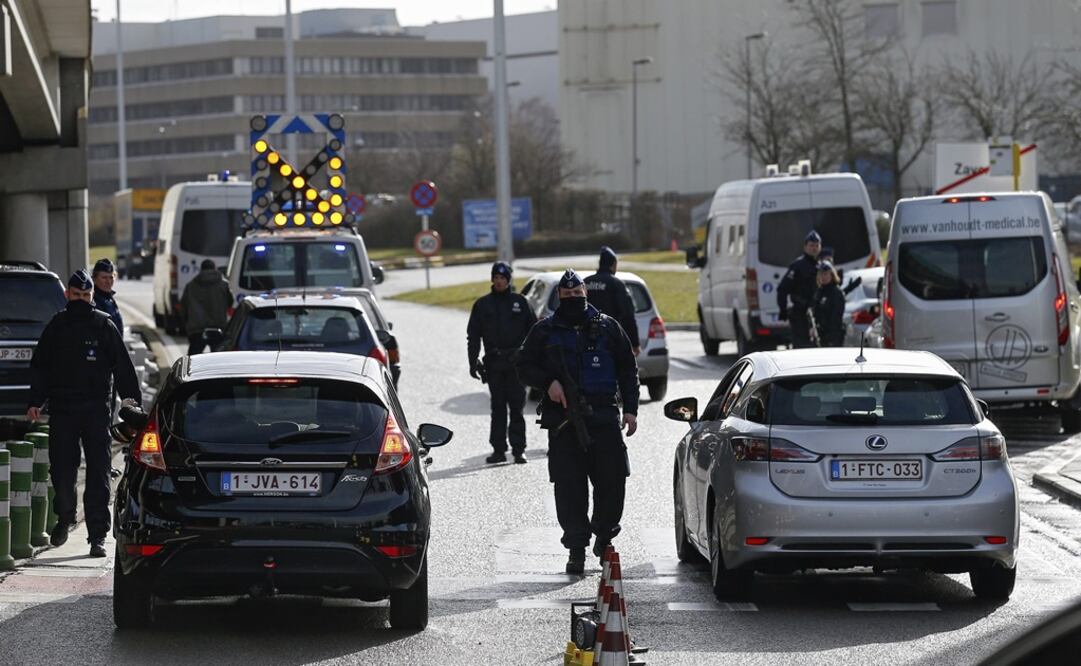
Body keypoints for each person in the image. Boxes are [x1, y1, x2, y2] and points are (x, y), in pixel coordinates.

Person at [517, 270, 639, 575]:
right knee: (569, 488)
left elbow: (627, 368)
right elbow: (523, 365)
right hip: (564, 422)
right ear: (560, 297)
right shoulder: (544, 331)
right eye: (568, 296)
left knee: (612, 482)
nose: (574, 299)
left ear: (586, 293)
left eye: (578, 294)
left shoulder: (608, 327)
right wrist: (548, 383)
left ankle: (604, 536)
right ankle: (576, 549)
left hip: (604, 417)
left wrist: (631, 410)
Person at [27, 270, 141, 557]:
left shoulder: (103, 325)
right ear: (68, 295)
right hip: (63, 410)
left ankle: (97, 536)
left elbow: (123, 368)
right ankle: (65, 517)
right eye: (77, 296)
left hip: (95, 411)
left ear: (92, 297)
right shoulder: (57, 326)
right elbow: (41, 366)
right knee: (63, 473)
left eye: (86, 296)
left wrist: (130, 404)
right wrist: (35, 400)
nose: (81, 300)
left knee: (98, 475)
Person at [467, 262, 537, 464]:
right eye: (496, 278)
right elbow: (473, 336)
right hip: (494, 365)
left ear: (508, 280)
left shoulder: (521, 302)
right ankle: (498, 449)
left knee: (517, 407)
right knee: (497, 408)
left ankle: (518, 449)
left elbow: (533, 333)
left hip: (516, 366)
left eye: (503, 278)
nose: (499, 281)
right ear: (492, 279)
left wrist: (527, 357)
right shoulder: (482, 305)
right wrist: (473, 362)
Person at [584, 246, 641, 356]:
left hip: (586, 340)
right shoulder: (616, 284)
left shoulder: (585, 282)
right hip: (611, 341)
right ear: (613, 264)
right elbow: (628, 315)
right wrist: (635, 343)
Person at [777, 230, 822, 349]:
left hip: (817, 313)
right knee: (802, 347)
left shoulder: (821, 266)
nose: (814, 248)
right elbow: (782, 289)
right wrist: (783, 309)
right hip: (800, 313)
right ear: (805, 246)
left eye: (817, 245)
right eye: (811, 245)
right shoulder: (797, 266)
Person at [180, 259, 232, 355]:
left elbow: (183, 307)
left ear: (201, 269)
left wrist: (185, 324)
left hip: (197, 329)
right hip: (218, 327)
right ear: (214, 268)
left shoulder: (190, 286)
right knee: (219, 358)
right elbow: (230, 303)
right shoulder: (224, 285)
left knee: (193, 360)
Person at [813, 261, 846, 347]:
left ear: (832, 275)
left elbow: (836, 316)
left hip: (833, 336)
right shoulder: (819, 292)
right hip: (820, 334)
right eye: (821, 274)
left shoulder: (836, 292)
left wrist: (831, 336)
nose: (823, 277)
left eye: (826, 274)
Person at [91, 258, 123, 333]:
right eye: (104, 278)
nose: (109, 281)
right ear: (94, 279)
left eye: (111, 277)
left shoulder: (109, 298)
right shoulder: (93, 301)